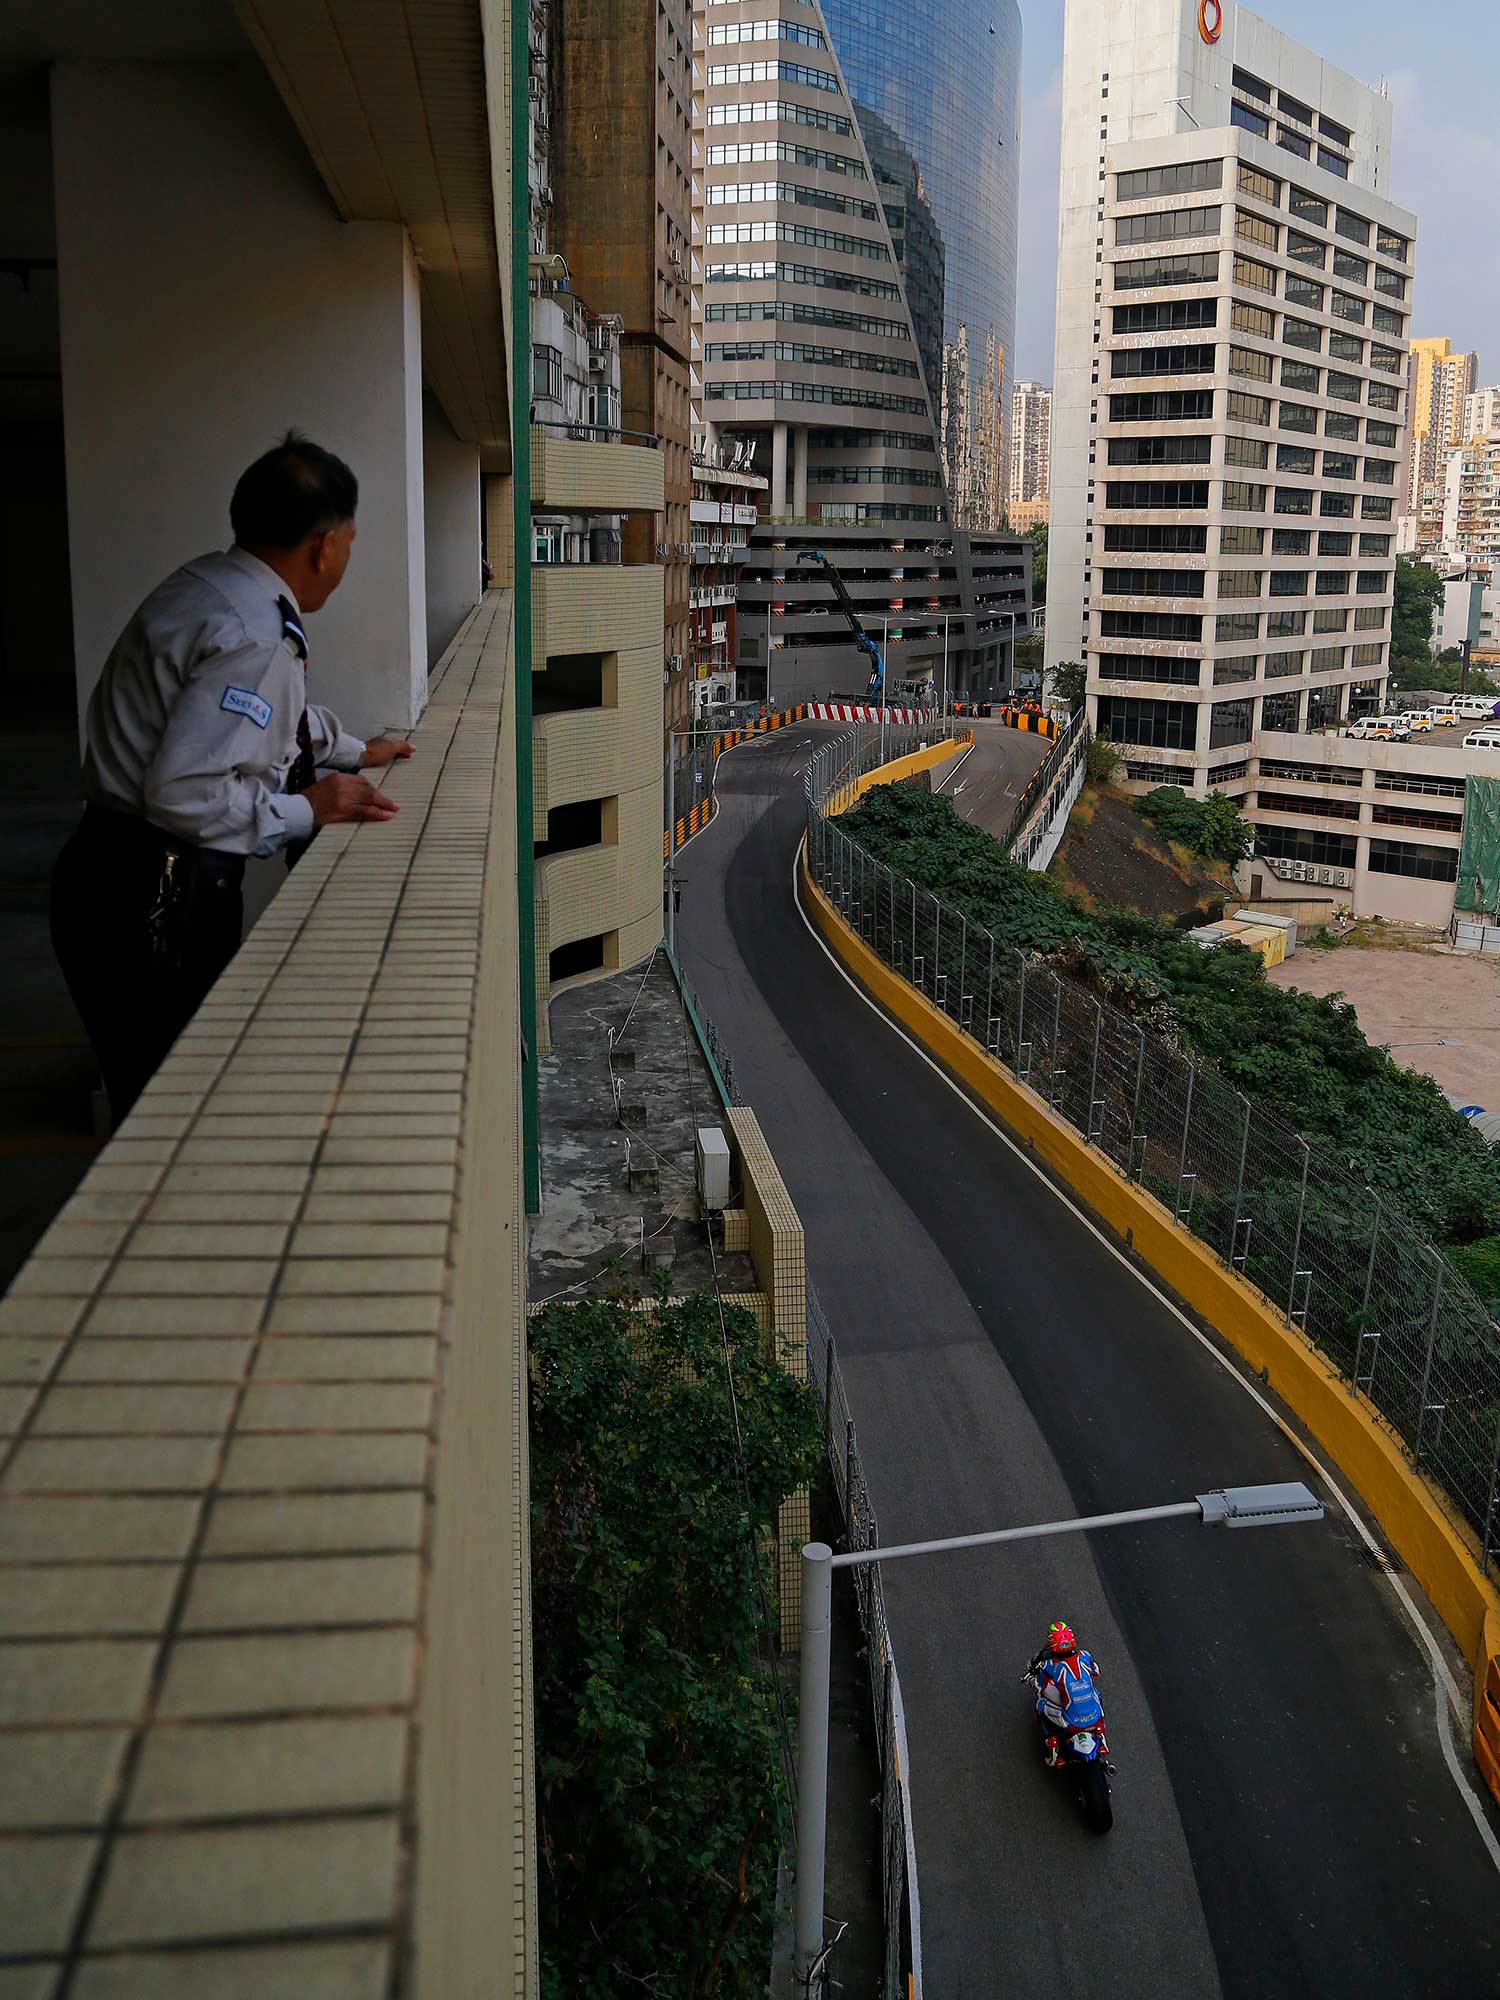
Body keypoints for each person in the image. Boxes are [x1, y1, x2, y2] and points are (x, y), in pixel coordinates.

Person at [50, 432, 414, 1124]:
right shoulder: (254, 632)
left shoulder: (209, 586)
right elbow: (185, 794)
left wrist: (353, 748)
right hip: (150, 900)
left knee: (152, 1086)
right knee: (171, 1108)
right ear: (324, 545)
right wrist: (309, 807)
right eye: (351, 538)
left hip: (108, 875)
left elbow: (258, 719)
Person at [1028, 1620, 1106, 1766]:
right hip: (1095, 1718)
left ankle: (1054, 1750)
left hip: (1071, 1723)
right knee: (1096, 1693)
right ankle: (1102, 1738)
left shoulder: (1050, 1665)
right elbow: (1096, 1671)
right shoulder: (1085, 1655)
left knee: (1040, 1705)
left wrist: (1032, 1680)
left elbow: (1040, 1687)